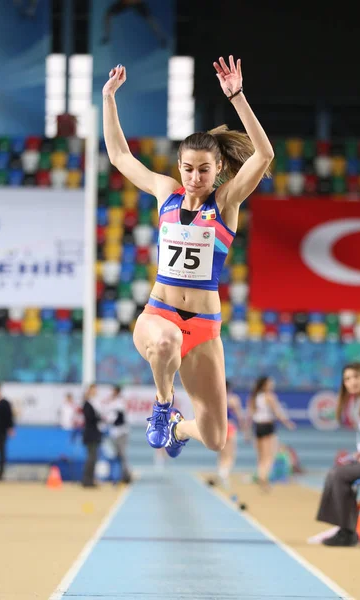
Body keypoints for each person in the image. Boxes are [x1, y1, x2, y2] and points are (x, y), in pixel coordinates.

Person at [102, 55, 273, 459]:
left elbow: (263, 156)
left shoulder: (226, 202)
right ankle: (164, 407)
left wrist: (238, 98)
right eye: (188, 168)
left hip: (205, 327)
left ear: (218, 171)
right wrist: (109, 98)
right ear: (179, 167)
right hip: (159, 316)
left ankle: (178, 428)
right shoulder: (166, 193)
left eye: (203, 170)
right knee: (165, 344)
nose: (195, 177)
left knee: (216, 438)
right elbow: (120, 157)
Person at [316, 362, 360, 546]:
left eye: (356, 377)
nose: (352, 382)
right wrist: (359, 454)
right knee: (336, 471)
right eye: (347, 379)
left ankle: (347, 532)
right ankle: (345, 528)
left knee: (338, 474)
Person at [248, 376, 295, 491]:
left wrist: (248, 430)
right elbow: (277, 412)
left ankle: (260, 475)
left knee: (261, 456)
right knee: (269, 456)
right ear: (265, 385)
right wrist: (287, 423)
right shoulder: (269, 397)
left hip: (257, 427)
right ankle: (264, 479)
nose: (272, 384)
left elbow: (250, 415)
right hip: (267, 426)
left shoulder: (254, 397)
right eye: (270, 383)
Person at [101, 0, 168, 47]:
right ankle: (107, 37)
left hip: (134, 3)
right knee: (108, 15)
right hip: (126, 3)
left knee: (149, 18)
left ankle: (161, 38)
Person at [216, 381, 245, 488]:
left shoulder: (217, 398)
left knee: (222, 453)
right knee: (230, 454)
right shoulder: (233, 399)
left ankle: (221, 471)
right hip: (229, 426)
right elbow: (239, 415)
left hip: (219, 426)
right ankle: (224, 474)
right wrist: (243, 427)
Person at [105, 385, 132, 484]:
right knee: (116, 455)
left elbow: (118, 418)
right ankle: (117, 475)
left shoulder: (120, 402)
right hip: (114, 433)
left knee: (122, 454)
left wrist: (108, 420)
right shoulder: (112, 402)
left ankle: (126, 476)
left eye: (113, 391)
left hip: (121, 432)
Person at [81, 384, 102, 488]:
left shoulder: (94, 403)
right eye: (94, 390)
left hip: (94, 433)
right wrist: (99, 418)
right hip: (91, 434)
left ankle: (89, 479)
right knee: (91, 457)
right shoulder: (87, 404)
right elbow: (90, 419)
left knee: (93, 457)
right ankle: (87, 479)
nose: (95, 391)